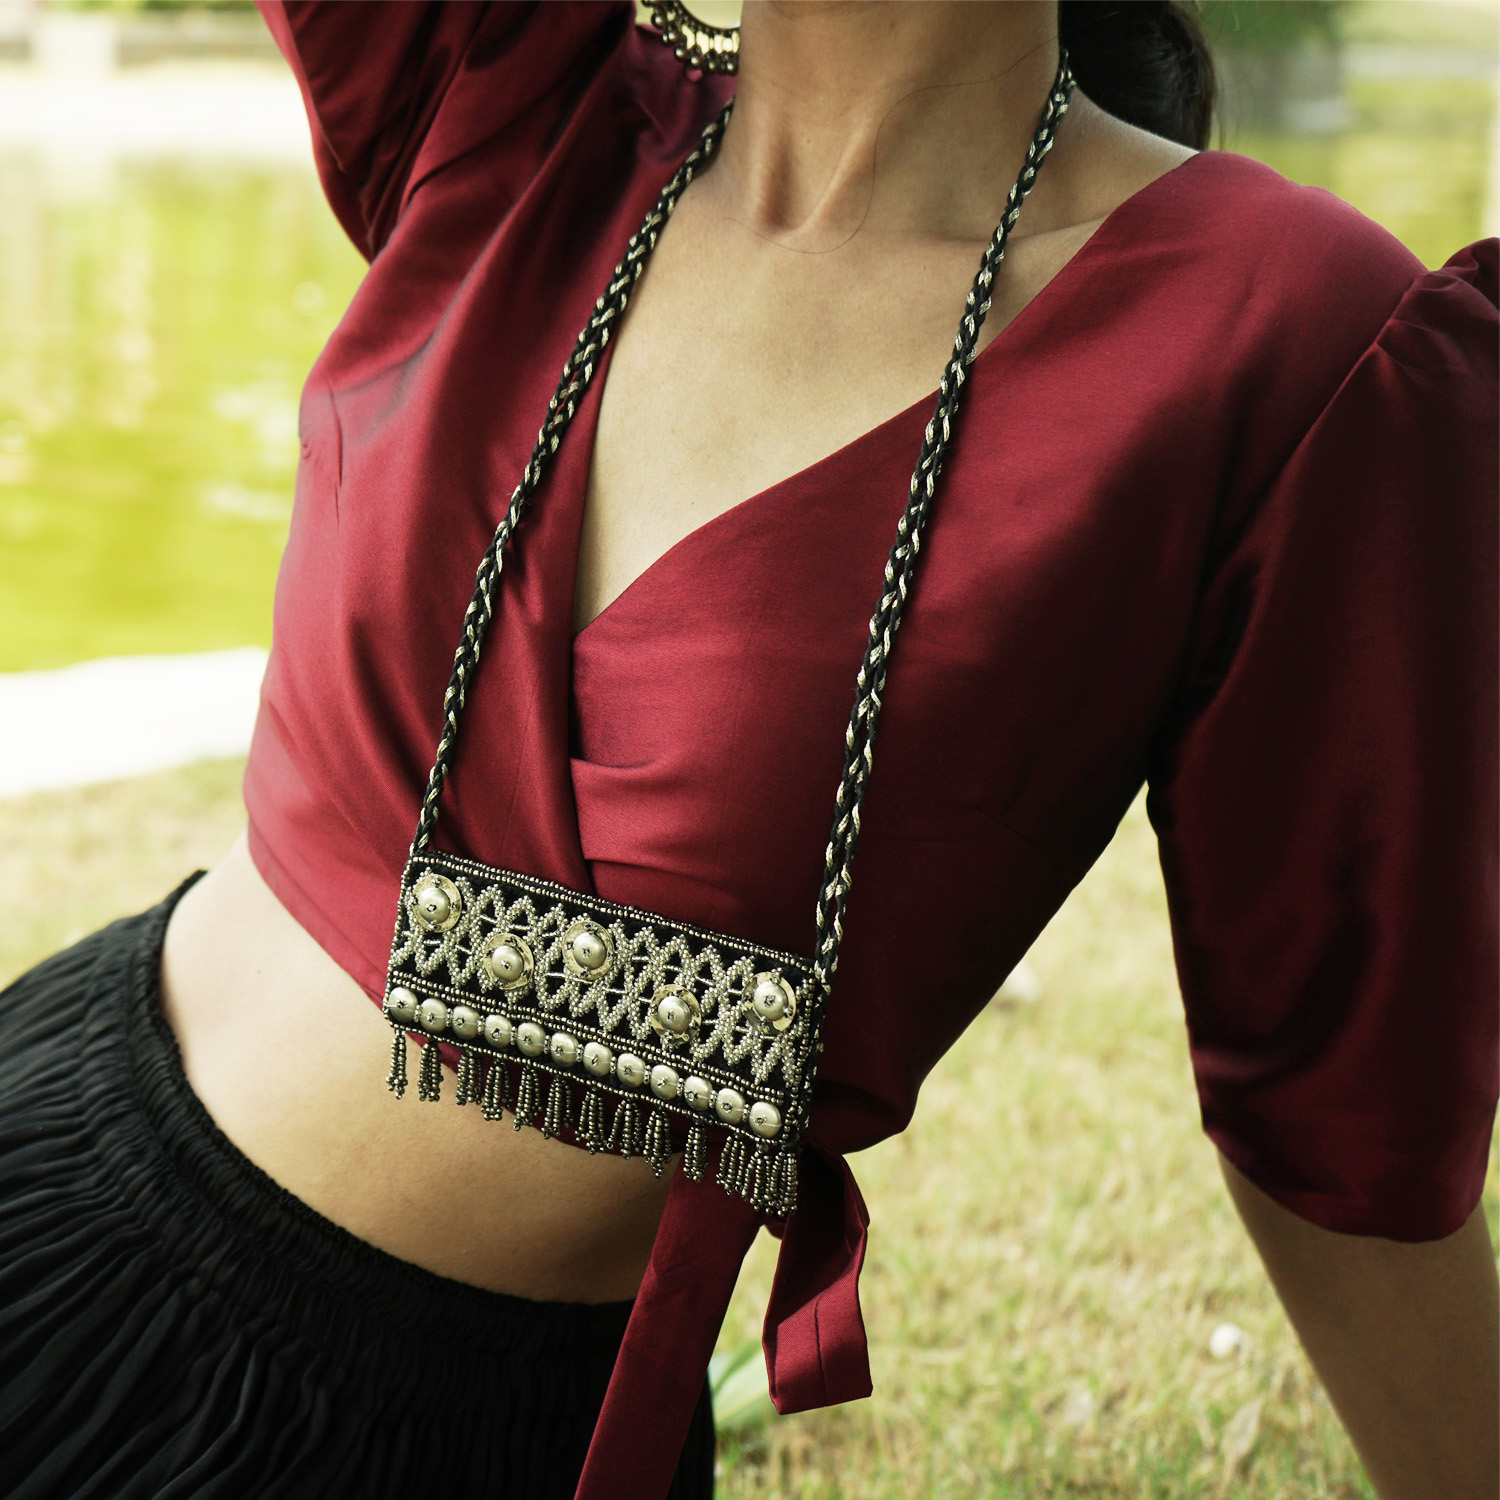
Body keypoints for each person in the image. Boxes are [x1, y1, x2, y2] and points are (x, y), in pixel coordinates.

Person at [0, 3, 1494, 1498]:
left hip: (413, 1435)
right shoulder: (516, 88)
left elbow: (1343, 1116)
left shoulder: (1289, 337)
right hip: (51, 1139)